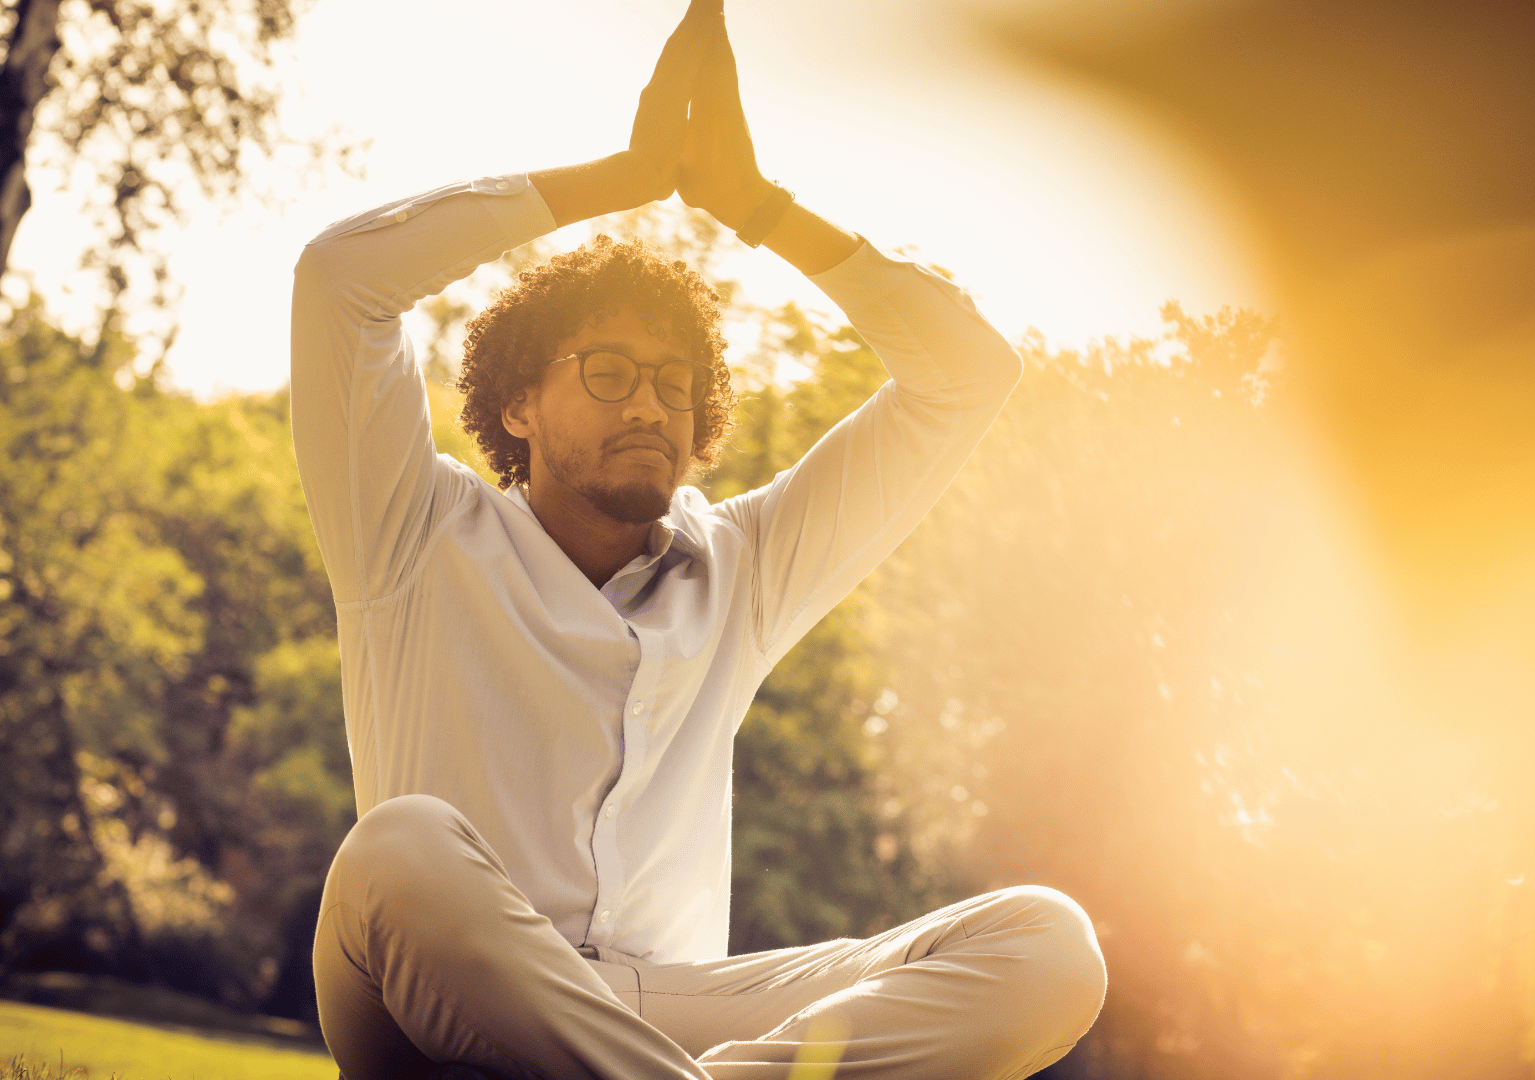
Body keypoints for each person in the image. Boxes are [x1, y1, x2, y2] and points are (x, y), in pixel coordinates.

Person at [289, 3, 1104, 1078]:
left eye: (676, 384)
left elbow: (968, 376)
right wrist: (623, 175)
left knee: (1049, 943)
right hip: (439, 988)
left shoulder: (745, 566)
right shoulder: (412, 529)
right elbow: (343, 283)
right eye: (609, 373)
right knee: (399, 847)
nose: (649, 406)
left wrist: (758, 208)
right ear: (519, 404)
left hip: (667, 1023)